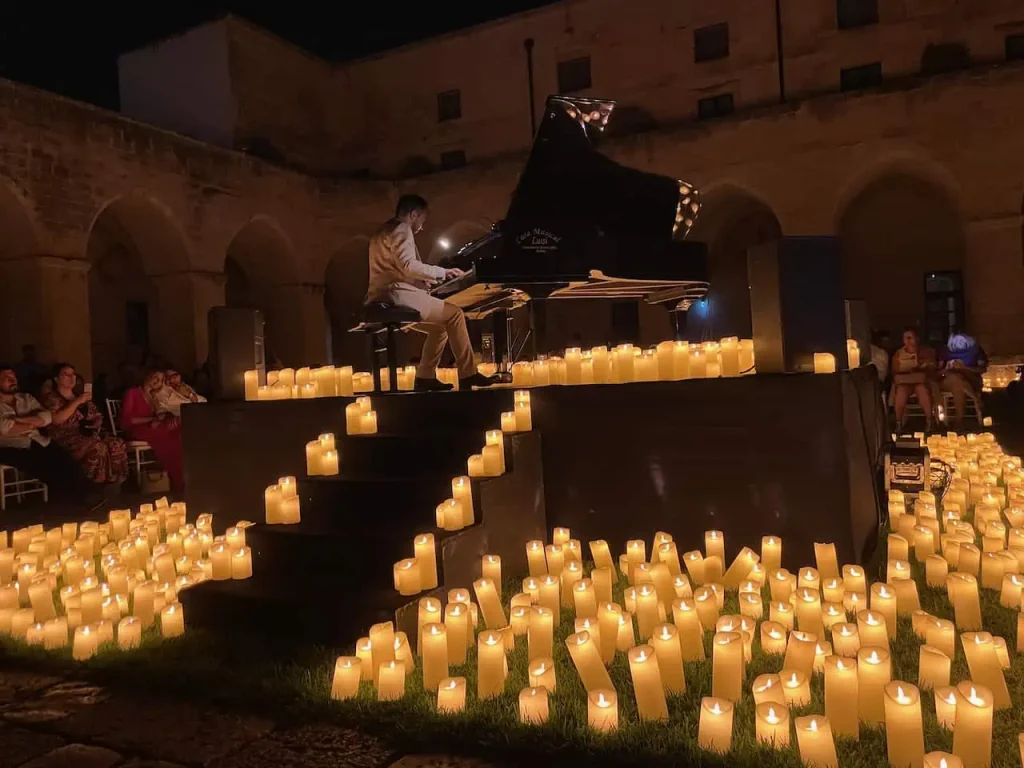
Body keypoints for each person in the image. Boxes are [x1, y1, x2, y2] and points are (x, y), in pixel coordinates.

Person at [366, 194, 498, 392]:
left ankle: (425, 378)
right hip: (395, 293)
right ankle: (469, 373)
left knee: (439, 328)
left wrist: (423, 280)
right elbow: (408, 265)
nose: (422, 227)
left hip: (381, 293)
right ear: (414, 214)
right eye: (422, 221)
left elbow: (394, 268)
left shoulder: (383, 230)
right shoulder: (402, 228)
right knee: (454, 314)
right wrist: (443, 272)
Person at [0, 364, 88, 501]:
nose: (12, 380)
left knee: (66, 459)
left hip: (37, 440)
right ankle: (73, 497)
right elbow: (5, 428)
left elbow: (46, 417)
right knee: (43, 463)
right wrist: (32, 423)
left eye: (13, 376)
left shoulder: (26, 398)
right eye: (6, 377)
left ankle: (85, 494)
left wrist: (18, 420)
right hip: (10, 446)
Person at [40, 363, 129, 487]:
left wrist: (96, 421)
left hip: (88, 433)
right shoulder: (51, 398)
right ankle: (93, 485)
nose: (72, 377)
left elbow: (97, 415)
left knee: (116, 443)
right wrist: (77, 402)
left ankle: (115, 482)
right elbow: (57, 419)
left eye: (73, 374)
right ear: (56, 379)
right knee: (97, 447)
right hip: (65, 436)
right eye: (67, 374)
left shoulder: (81, 396)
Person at [120, 368, 184, 490]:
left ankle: (180, 478)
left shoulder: (155, 397)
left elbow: (159, 416)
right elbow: (127, 420)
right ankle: (178, 481)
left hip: (155, 428)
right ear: (148, 376)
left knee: (176, 435)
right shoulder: (132, 393)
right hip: (136, 429)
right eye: (156, 377)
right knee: (170, 433)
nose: (157, 381)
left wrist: (160, 418)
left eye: (161, 380)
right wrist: (151, 420)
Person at [891, 328, 936, 432]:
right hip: (905, 381)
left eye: (910, 338)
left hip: (920, 380)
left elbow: (932, 366)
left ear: (916, 339)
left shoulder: (926, 351)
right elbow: (894, 369)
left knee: (922, 390)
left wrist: (922, 365)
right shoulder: (898, 353)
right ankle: (898, 423)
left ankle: (929, 420)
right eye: (906, 338)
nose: (908, 341)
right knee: (901, 392)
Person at [939, 333, 987, 429]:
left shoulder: (977, 351)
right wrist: (947, 368)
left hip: (970, 379)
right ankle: (974, 397)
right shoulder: (945, 352)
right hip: (948, 380)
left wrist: (965, 367)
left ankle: (959, 420)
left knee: (957, 384)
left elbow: (982, 369)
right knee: (954, 377)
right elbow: (938, 372)